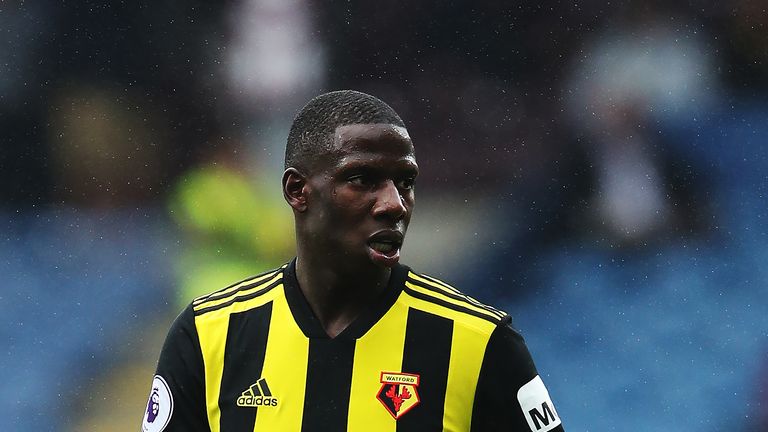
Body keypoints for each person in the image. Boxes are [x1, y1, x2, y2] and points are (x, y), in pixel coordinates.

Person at [141, 90, 565, 432]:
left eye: (406, 182)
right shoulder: (209, 336)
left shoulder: (478, 342)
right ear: (297, 190)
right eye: (363, 179)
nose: (394, 204)